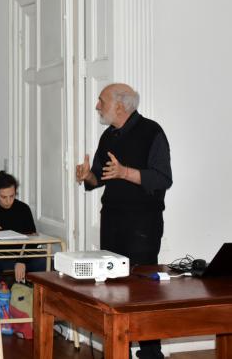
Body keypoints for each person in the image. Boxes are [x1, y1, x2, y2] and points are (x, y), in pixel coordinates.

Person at [76, 83, 172, 359]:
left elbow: (163, 178)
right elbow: (98, 176)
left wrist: (125, 172)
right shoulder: (109, 136)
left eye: (101, 100)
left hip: (142, 226)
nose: (97, 106)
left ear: (120, 105)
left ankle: (151, 354)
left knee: (142, 294)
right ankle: (119, 350)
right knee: (114, 290)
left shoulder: (152, 132)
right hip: (112, 223)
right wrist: (87, 176)